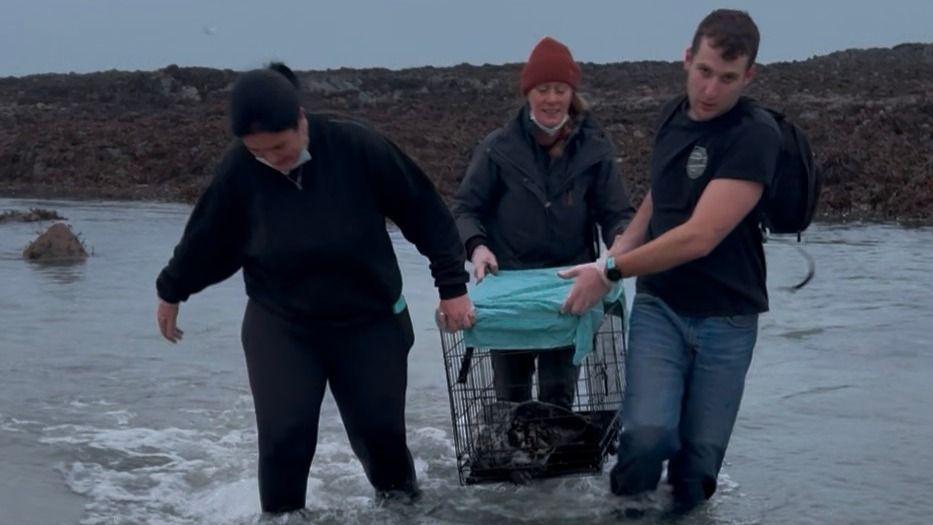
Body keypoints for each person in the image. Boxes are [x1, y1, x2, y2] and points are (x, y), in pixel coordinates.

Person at [154, 63, 475, 514]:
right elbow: (208, 238)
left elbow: (426, 213)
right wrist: (172, 290)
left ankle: (403, 513)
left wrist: (452, 287)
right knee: (284, 439)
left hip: (370, 319)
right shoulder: (240, 170)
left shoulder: (356, 146)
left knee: (382, 440)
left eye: (280, 147)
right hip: (282, 322)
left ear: (301, 120)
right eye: (258, 152)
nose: (271, 159)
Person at [559, 9, 781, 513]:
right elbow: (663, 194)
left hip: (729, 317)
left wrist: (610, 273)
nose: (710, 90)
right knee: (648, 435)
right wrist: (616, 253)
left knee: (698, 466)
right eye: (704, 71)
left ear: (748, 76)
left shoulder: (754, 135)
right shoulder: (670, 115)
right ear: (686, 59)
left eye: (727, 79)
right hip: (662, 308)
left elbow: (700, 236)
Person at [452, 37, 633, 409]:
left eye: (560, 89)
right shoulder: (497, 148)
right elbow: (465, 209)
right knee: (512, 401)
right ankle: (513, 460)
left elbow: (617, 214)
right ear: (528, 93)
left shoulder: (594, 149)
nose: (551, 99)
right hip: (509, 294)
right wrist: (477, 246)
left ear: (572, 94)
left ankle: (560, 464)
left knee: (557, 399)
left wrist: (620, 244)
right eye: (543, 89)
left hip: (570, 290)